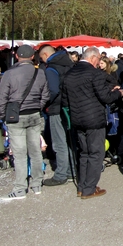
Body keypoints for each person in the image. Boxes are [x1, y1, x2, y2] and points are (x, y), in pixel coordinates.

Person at [62, 47, 122, 199]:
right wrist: (118, 93)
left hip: (77, 118)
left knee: (84, 152)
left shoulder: (69, 74)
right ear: (94, 58)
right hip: (94, 119)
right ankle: (90, 188)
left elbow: (64, 99)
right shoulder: (95, 74)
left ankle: (82, 186)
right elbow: (106, 97)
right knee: (96, 153)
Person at [0, 45, 50, 200]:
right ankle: (37, 183)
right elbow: (45, 95)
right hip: (33, 113)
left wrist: (2, 114)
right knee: (35, 150)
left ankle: (20, 188)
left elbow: (2, 97)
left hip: (15, 116)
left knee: (19, 154)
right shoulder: (40, 73)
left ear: (17, 56)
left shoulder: (10, 74)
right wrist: (37, 107)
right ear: (33, 56)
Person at [38, 45, 75, 187]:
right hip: (69, 106)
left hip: (56, 108)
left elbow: (52, 90)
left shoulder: (51, 68)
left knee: (59, 142)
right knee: (69, 139)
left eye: (42, 58)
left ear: (46, 55)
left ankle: (61, 174)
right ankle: (72, 171)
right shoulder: (69, 64)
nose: (42, 61)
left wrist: (46, 103)